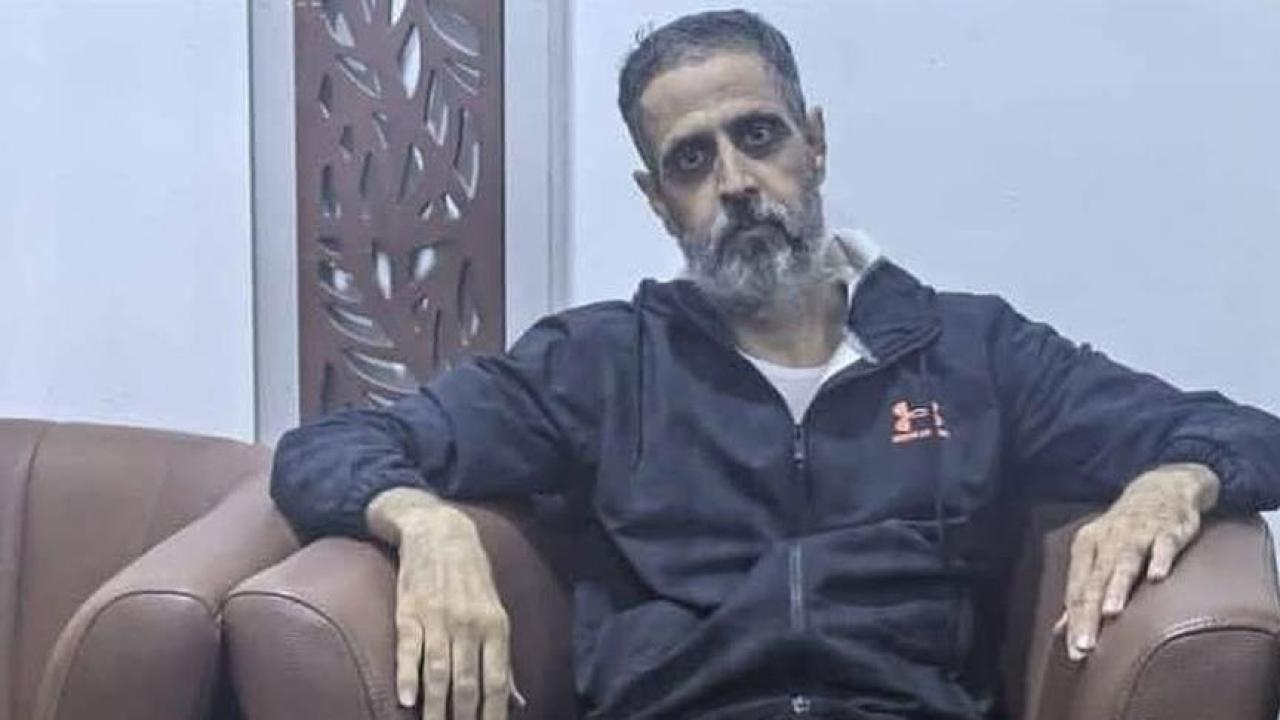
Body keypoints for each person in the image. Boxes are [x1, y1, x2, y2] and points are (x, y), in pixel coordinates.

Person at [271, 9, 1280, 720]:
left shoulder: (969, 348)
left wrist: (1177, 478)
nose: (736, 182)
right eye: (691, 160)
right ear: (657, 201)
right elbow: (326, 450)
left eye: (757, 136)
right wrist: (425, 521)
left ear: (814, 144)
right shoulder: (600, 362)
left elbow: (1243, 432)